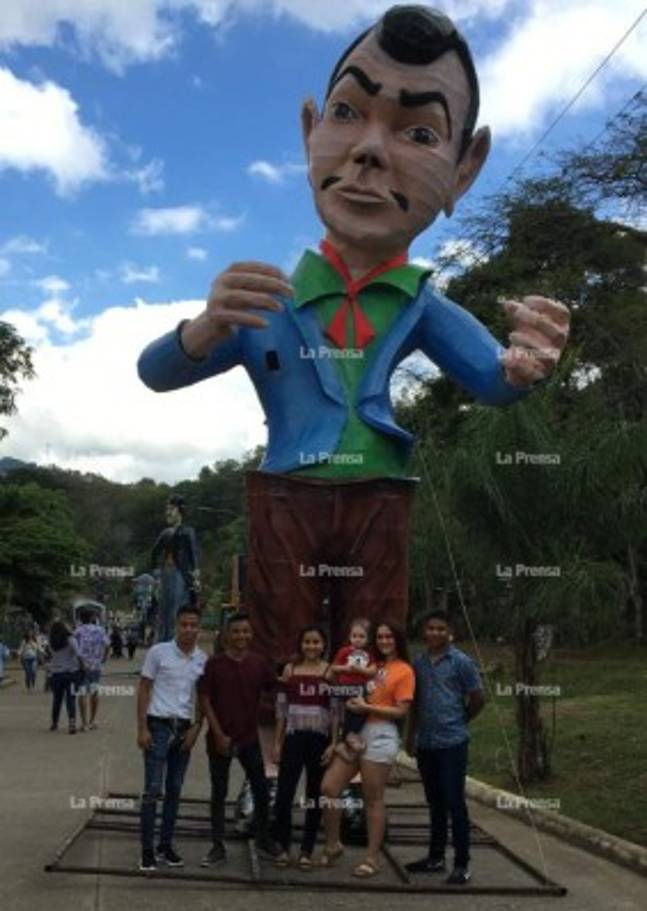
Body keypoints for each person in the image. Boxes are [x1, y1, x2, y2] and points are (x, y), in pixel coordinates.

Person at [138, 4, 570, 666]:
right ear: (311, 133)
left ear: (463, 169)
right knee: (284, 644)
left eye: (420, 133)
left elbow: (491, 378)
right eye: (347, 113)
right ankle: (285, 751)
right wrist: (201, 330)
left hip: (380, 498)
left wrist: (523, 367)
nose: (368, 150)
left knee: (372, 650)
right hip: (285, 495)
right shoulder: (263, 305)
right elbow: (156, 373)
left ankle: (365, 750)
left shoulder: (421, 304)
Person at [320, 621, 414, 878]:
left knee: (372, 798)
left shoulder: (404, 670)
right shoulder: (373, 665)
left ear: (398, 640)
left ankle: (372, 857)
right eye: (380, 637)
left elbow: (401, 710)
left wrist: (367, 709)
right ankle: (333, 843)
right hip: (355, 731)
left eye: (389, 637)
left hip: (381, 733)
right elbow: (334, 677)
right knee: (329, 788)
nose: (384, 641)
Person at [405, 612, 484, 885]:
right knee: (434, 802)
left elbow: (477, 697)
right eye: (431, 628)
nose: (436, 633)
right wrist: (410, 735)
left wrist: (461, 719)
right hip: (427, 743)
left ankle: (462, 863)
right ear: (424, 632)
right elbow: (414, 703)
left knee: (454, 802)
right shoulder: (419, 663)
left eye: (441, 628)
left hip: (452, 743)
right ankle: (435, 857)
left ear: (449, 632)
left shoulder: (461, 662)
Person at [198, 614, 280, 867]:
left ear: (251, 635)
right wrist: (218, 733)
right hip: (219, 738)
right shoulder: (214, 664)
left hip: (249, 738)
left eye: (246, 631)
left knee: (261, 789)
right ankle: (217, 846)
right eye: (236, 632)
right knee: (219, 793)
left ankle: (264, 837)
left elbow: (276, 689)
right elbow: (205, 699)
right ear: (226, 635)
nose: (241, 636)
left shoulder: (259, 663)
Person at [137, 605, 207, 872]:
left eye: (193, 625)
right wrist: (142, 728)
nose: (189, 629)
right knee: (153, 789)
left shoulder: (202, 658)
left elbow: (202, 696)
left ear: (199, 628)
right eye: (184, 624)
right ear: (176, 626)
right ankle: (146, 850)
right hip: (158, 726)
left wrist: (197, 727)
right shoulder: (158, 653)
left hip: (184, 729)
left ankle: (165, 846)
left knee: (175, 790)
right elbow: (144, 688)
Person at [271, 626, 338, 869]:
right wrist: (277, 742)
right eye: (307, 642)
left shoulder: (330, 671)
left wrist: (334, 742)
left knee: (314, 796)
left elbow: (335, 711)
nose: (311, 646)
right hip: (294, 737)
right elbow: (281, 709)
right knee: (284, 794)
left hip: (319, 739)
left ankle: (307, 850)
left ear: (323, 645)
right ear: (301, 644)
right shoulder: (290, 670)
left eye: (316, 642)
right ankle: (283, 845)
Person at [152, 494, 200, 643]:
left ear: (179, 510)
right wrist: (156, 574)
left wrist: (196, 576)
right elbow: (154, 553)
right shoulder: (165, 533)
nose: (167, 512)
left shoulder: (188, 531)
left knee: (177, 608)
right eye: (166, 509)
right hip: (166, 573)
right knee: (164, 610)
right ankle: (163, 641)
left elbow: (193, 554)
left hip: (181, 574)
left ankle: (176, 641)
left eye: (171, 509)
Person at [330, 618, 377, 761]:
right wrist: (345, 668)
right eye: (354, 636)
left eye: (361, 636)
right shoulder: (345, 651)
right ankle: (349, 737)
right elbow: (334, 667)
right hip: (346, 687)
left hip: (361, 688)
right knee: (354, 710)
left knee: (357, 712)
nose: (357, 639)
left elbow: (372, 671)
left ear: (368, 639)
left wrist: (361, 670)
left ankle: (346, 739)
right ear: (350, 637)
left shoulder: (369, 654)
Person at [74, 608, 110, 731]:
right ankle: (92, 720)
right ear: (92, 618)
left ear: (80, 619)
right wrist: (103, 659)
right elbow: (107, 645)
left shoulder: (77, 631)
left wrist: (80, 663)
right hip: (96, 666)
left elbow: (76, 650)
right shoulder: (100, 630)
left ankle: (84, 723)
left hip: (82, 666)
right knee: (94, 692)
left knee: (82, 693)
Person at [48, 621, 82, 734]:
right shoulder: (71, 640)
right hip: (71, 674)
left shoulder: (51, 642)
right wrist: (83, 667)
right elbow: (79, 655)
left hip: (56, 674)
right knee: (71, 699)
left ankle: (54, 723)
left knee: (56, 700)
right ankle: (72, 724)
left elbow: (51, 655)